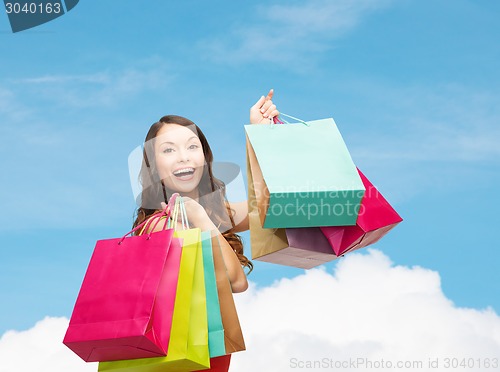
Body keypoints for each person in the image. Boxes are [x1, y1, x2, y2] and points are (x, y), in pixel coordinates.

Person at [133, 89, 279, 293]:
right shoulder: (160, 225)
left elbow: (271, 206)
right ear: (153, 165)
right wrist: (201, 219)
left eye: (192, 147)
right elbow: (235, 281)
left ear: (205, 158)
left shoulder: (212, 210)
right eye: (168, 150)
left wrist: (260, 134)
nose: (183, 157)